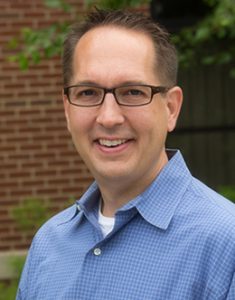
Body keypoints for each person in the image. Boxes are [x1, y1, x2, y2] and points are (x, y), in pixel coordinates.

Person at [16, 9, 235, 300]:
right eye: (88, 92)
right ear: (67, 110)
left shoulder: (226, 244)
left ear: (171, 108)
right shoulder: (48, 243)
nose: (108, 117)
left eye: (133, 92)